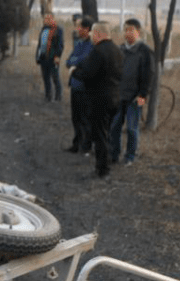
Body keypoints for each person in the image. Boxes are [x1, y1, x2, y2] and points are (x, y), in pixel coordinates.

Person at [72, 21, 123, 178]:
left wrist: (74, 72)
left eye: (93, 34)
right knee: (106, 133)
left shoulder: (98, 51)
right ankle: (105, 165)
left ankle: (102, 170)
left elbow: (87, 74)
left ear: (99, 33)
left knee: (99, 135)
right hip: (115, 97)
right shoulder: (117, 51)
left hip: (100, 99)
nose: (91, 37)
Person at [110, 18, 154, 166]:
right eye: (125, 30)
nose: (127, 33)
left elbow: (148, 75)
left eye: (131, 30)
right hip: (118, 95)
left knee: (131, 128)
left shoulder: (144, 51)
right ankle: (114, 154)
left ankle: (130, 156)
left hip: (135, 97)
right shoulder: (120, 49)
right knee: (114, 126)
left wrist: (143, 94)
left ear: (138, 32)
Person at [65, 17, 94, 153]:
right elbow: (69, 60)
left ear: (87, 29)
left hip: (85, 87)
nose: (77, 29)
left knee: (85, 118)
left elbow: (84, 60)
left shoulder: (92, 44)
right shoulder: (79, 43)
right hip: (75, 85)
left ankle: (85, 145)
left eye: (79, 27)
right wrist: (74, 62)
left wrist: (75, 62)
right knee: (75, 117)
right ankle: (76, 143)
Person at [35, 13, 64, 102]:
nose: (46, 20)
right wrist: (37, 56)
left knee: (55, 77)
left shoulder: (58, 30)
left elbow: (60, 45)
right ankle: (48, 95)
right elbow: (40, 44)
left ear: (53, 19)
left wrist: (57, 56)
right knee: (45, 77)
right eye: (45, 18)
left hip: (53, 57)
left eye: (48, 18)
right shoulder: (43, 29)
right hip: (43, 57)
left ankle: (58, 96)